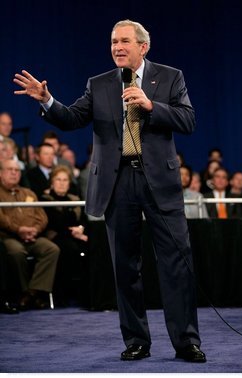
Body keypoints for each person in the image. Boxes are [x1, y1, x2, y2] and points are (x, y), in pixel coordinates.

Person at [13, 19, 206, 362]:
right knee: (125, 267)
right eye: (113, 42)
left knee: (176, 264)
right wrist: (46, 100)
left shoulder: (171, 77)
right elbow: (71, 118)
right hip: (117, 185)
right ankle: (136, 341)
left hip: (159, 182)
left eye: (124, 41)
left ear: (143, 47)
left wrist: (150, 106)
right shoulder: (99, 84)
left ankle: (186, 342)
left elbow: (188, 120)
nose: (117, 47)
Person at [0, 158, 60, 310]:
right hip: (8, 237)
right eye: (10, 170)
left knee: (51, 249)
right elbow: (2, 219)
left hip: (33, 236)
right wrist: (18, 230)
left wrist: (35, 230)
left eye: (17, 170)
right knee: (16, 252)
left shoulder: (29, 193)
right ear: (1, 173)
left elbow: (42, 217)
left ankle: (31, 293)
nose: (14, 173)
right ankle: (23, 292)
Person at [41, 165, 88, 305]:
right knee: (69, 248)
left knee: (93, 245)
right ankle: (64, 295)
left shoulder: (74, 198)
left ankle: (89, 295)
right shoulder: (45, 199)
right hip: (55, 237)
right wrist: (74, 232)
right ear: (52, 182)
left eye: (65, 180)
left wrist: (80, 228)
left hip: (75, 236)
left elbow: (84, 219)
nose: (62, 183)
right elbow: (55, 222)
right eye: (58, 179)